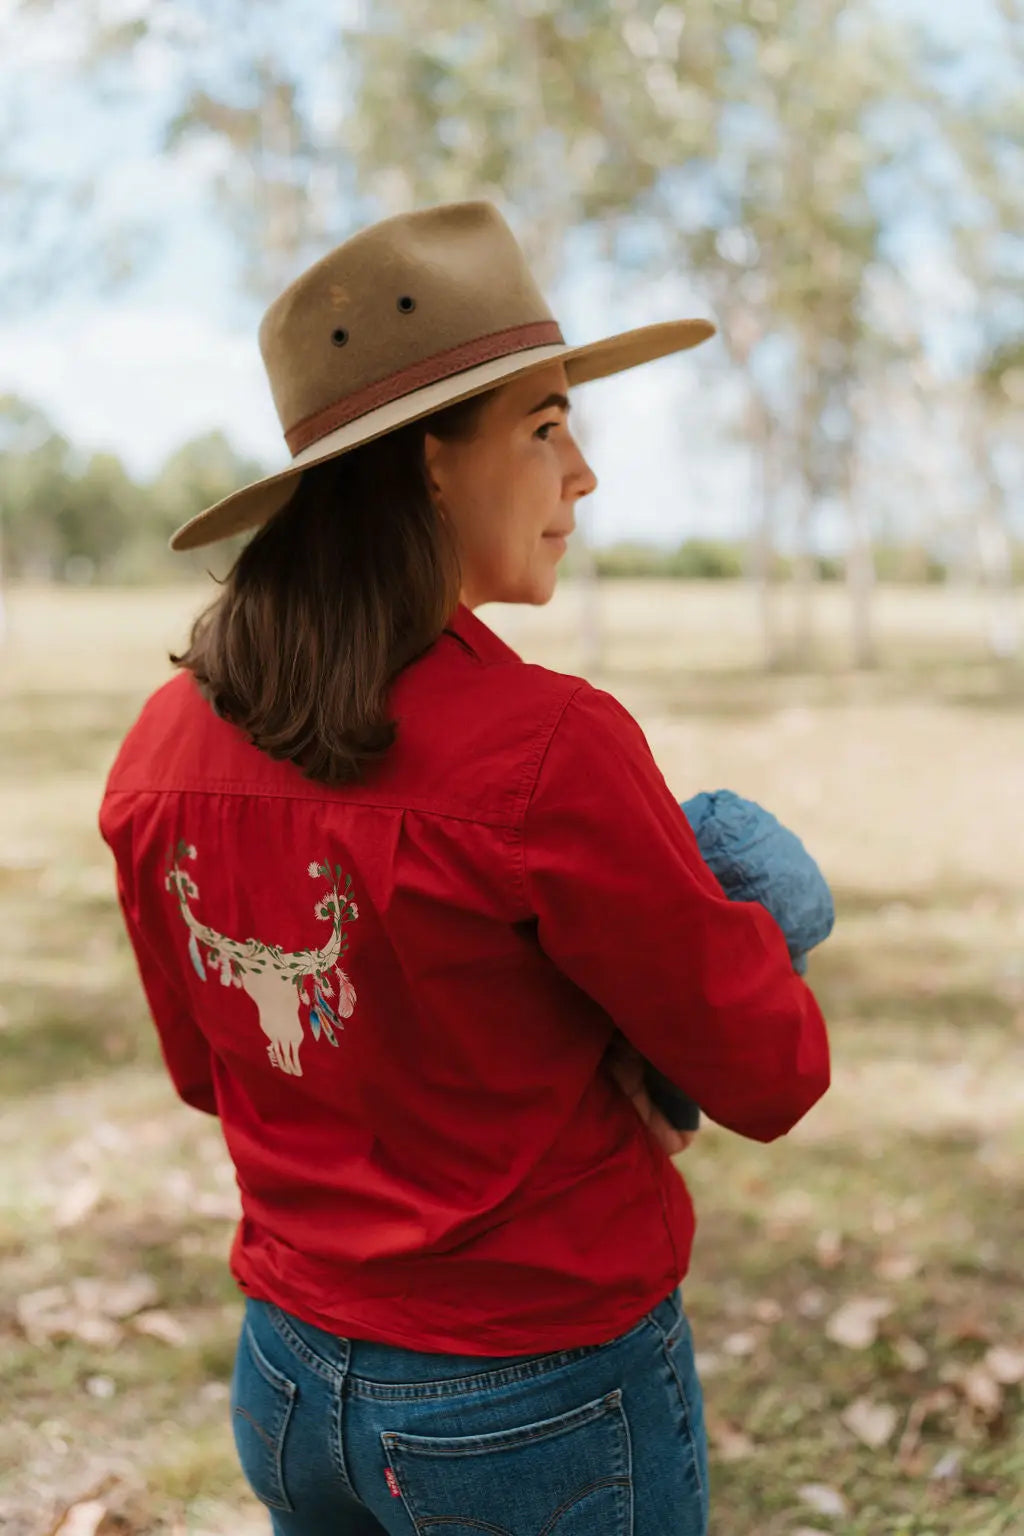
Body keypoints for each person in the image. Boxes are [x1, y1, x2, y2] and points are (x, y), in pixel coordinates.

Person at [98, 199, 831, 1536]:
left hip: (286, 1377)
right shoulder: (549, 750)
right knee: (754, 858)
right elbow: (778, 1078)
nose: (586, 475)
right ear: (429, 465)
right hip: (529, 1406)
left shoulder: (159, 748)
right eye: (548, 428)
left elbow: (215, 1070)